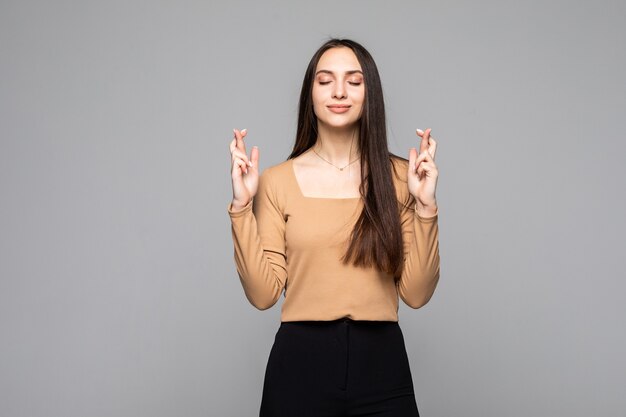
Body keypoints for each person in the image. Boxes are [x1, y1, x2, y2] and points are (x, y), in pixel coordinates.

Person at [227, 38, 440, 417]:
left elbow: (417, 293)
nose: (339, 91)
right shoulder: (277, 181)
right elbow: (263, 296)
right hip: (299, 367)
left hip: (382, 365)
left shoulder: (402, 178)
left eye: (353, 81)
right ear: (310, 93)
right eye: (325, 81)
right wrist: (242, 207)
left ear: (369, 93)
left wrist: (426, 207)